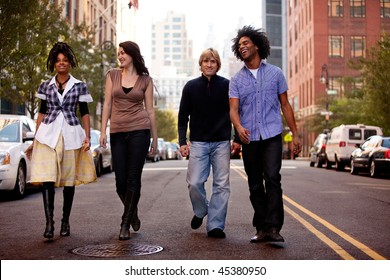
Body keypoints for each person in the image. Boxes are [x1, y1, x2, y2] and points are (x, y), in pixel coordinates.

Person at [229, 26, 302, 243]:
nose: (242, 47)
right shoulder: (237, 80)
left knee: (272, 178)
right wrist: (239, 128)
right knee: (254, 183)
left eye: (245, 43)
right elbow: (233, 110)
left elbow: (286, 105)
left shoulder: (275, 73)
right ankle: (261, 227)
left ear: (257, 45)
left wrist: (295, 134)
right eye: (239, 45)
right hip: (249, 137)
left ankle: (273, 227)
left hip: (271, 135)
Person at [25, 42, 96, 240]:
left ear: (70, 63)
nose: (61, 64)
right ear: (53, 64)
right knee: (48, 178)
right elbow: (41, 113)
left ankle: (65, 221)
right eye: (58, 61)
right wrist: (35, 139)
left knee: (68, 181)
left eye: (65, 60)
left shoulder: (79, 85)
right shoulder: (45, 86)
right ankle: (49, 223)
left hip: (72, 135)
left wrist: (87, 136)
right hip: (47, 136)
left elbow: (85, 113)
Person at [99, 41, 158, 241]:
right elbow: (107, 103)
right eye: (119, 53)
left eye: (124, 53)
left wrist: (155, 139)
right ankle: (132, 211)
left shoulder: (145, 80)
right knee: (120, 182)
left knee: (133, 178)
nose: (121, 56)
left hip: (139, 131)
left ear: (133, 54)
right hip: (117, 131)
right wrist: (103, 131)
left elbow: (150, 110)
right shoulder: (112, 75)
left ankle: (125, 222)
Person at [178, 48, 231, 238]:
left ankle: (216, 225)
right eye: (206, 61)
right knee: (194, 182)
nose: (209, 64)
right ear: (200, 64)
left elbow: (235, 112)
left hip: (222, 143)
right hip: (199, 143)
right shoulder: (190, 87)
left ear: (218, 65)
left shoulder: (227, 85)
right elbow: (183, 115)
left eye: (213, 61)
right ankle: (201, 210)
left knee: (221, 185)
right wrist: (182, 141)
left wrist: (238, 139)